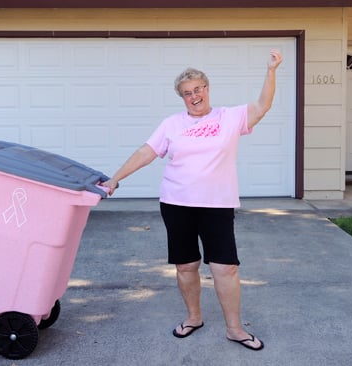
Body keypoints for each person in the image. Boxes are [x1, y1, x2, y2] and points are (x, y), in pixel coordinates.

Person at [101, 49, 283, 351]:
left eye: (198, 89)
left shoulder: (229, 117)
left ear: (207, 88)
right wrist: (115, 178)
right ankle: (194, 317)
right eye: (187, 93)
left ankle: (235, 329)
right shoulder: (171, 124)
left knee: (226, 268)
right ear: (182, 97)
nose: (194, 96)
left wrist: (271, 71)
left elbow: (263, 105)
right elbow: (146, 152)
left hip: (217, 205)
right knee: (186, 266)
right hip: (177, 204)